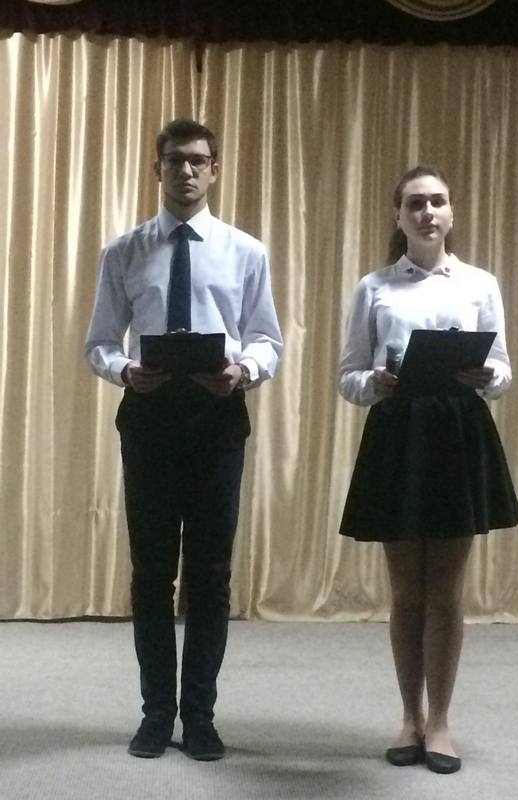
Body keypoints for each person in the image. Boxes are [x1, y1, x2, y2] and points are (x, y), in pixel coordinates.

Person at [85, 119, 282, 761]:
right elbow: (99, 342)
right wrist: (125, 370)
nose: (187, 171)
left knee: (211, 573)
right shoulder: (123, 252)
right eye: (175, 161)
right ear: (158, 169)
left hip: (217, 417)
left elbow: (267, 339)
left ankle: (199, 715)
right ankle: (155, 714)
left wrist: (242, 371)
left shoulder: (245, 252)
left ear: (215, 170)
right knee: (150, 573)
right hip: (149, 416)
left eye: (199, 161)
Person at [338, 165, 518, 775]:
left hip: (458, 436)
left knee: (445, 590)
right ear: (398, 215)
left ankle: (440, 721)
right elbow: (349, 377)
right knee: (406, 591)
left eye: (437, 202)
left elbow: (502, 370)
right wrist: (375, 382)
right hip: (398, 435)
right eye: (415, 203)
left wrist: (487, 375)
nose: (427, 213)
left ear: (451, 213)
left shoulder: (479, 283)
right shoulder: (374, 287)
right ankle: (408, 717)